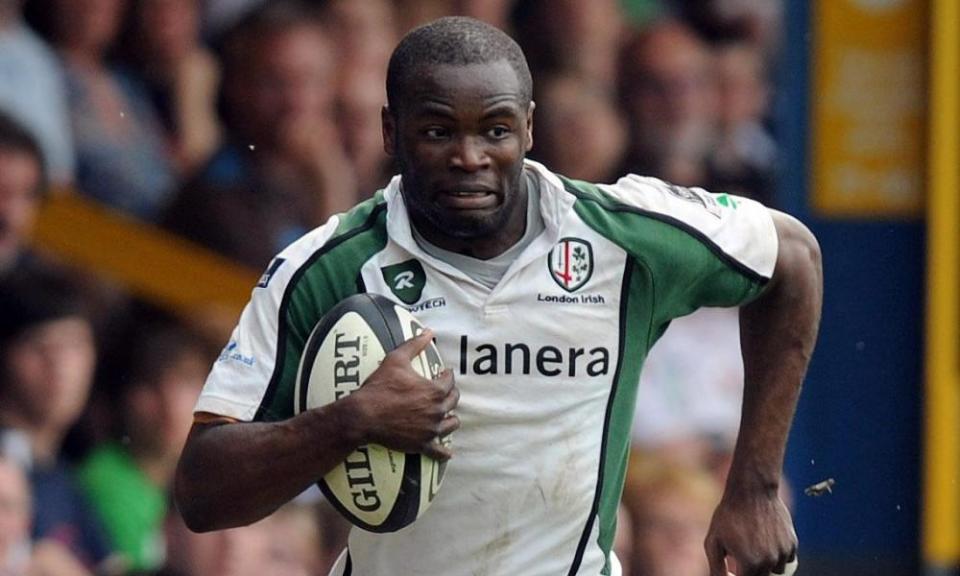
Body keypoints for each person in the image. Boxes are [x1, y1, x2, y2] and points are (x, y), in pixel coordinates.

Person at [175, 16, 822, 576]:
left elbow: (793, 258)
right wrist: (351, 421)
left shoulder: (621, 239)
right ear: (389, 133)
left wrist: (755, 486)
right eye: (436, 132)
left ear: (530, 129)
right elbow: (202, 492)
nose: (469, 156)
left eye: (494, 129)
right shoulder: (327, 268)